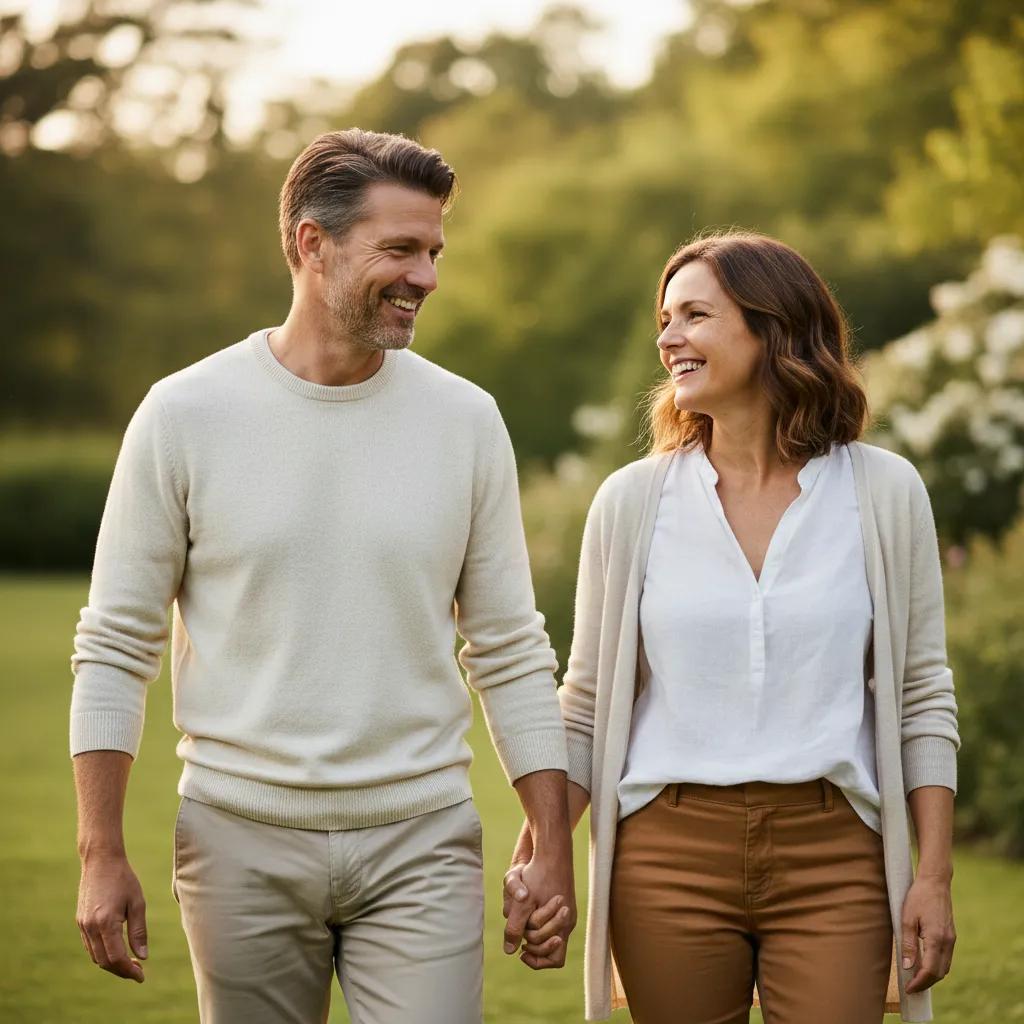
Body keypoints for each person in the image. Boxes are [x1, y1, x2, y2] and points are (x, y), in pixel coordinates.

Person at [70, 128, 576, 1024]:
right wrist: (99, 852)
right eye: (400, 249)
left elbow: (508, 647)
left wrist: (550, 841)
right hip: (236, 839)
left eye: (434, 252)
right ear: (313, 243)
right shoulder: (184, 414)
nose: (426, 276)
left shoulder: (465, 420)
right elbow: (114, 645)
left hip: (423, 837)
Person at [503, 232, 960, 1023]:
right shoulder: (631, 502)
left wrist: (934, 875)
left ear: (772, 326)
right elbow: (587, 702)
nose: (668, 338)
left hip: (835, 854)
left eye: (695, 315)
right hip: (667, 853)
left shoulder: (883, 493)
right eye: (665, 319)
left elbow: (921, 694)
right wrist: (544, 853)